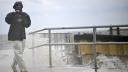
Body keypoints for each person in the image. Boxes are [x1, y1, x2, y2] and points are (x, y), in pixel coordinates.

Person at [5, 1, 31, 72]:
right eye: (17, 6)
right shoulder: (11, 14)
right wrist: (13, 14)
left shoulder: (25, 15)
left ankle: (13, 65)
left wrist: (23, 20)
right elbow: (7, 21)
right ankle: (24, 70)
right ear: (14, 7)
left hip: (22, 36)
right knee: (19, 54)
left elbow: (28, 25)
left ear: (22, 7)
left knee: (19, 53)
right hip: (14, 36)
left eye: (20, 6)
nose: (18, 7)